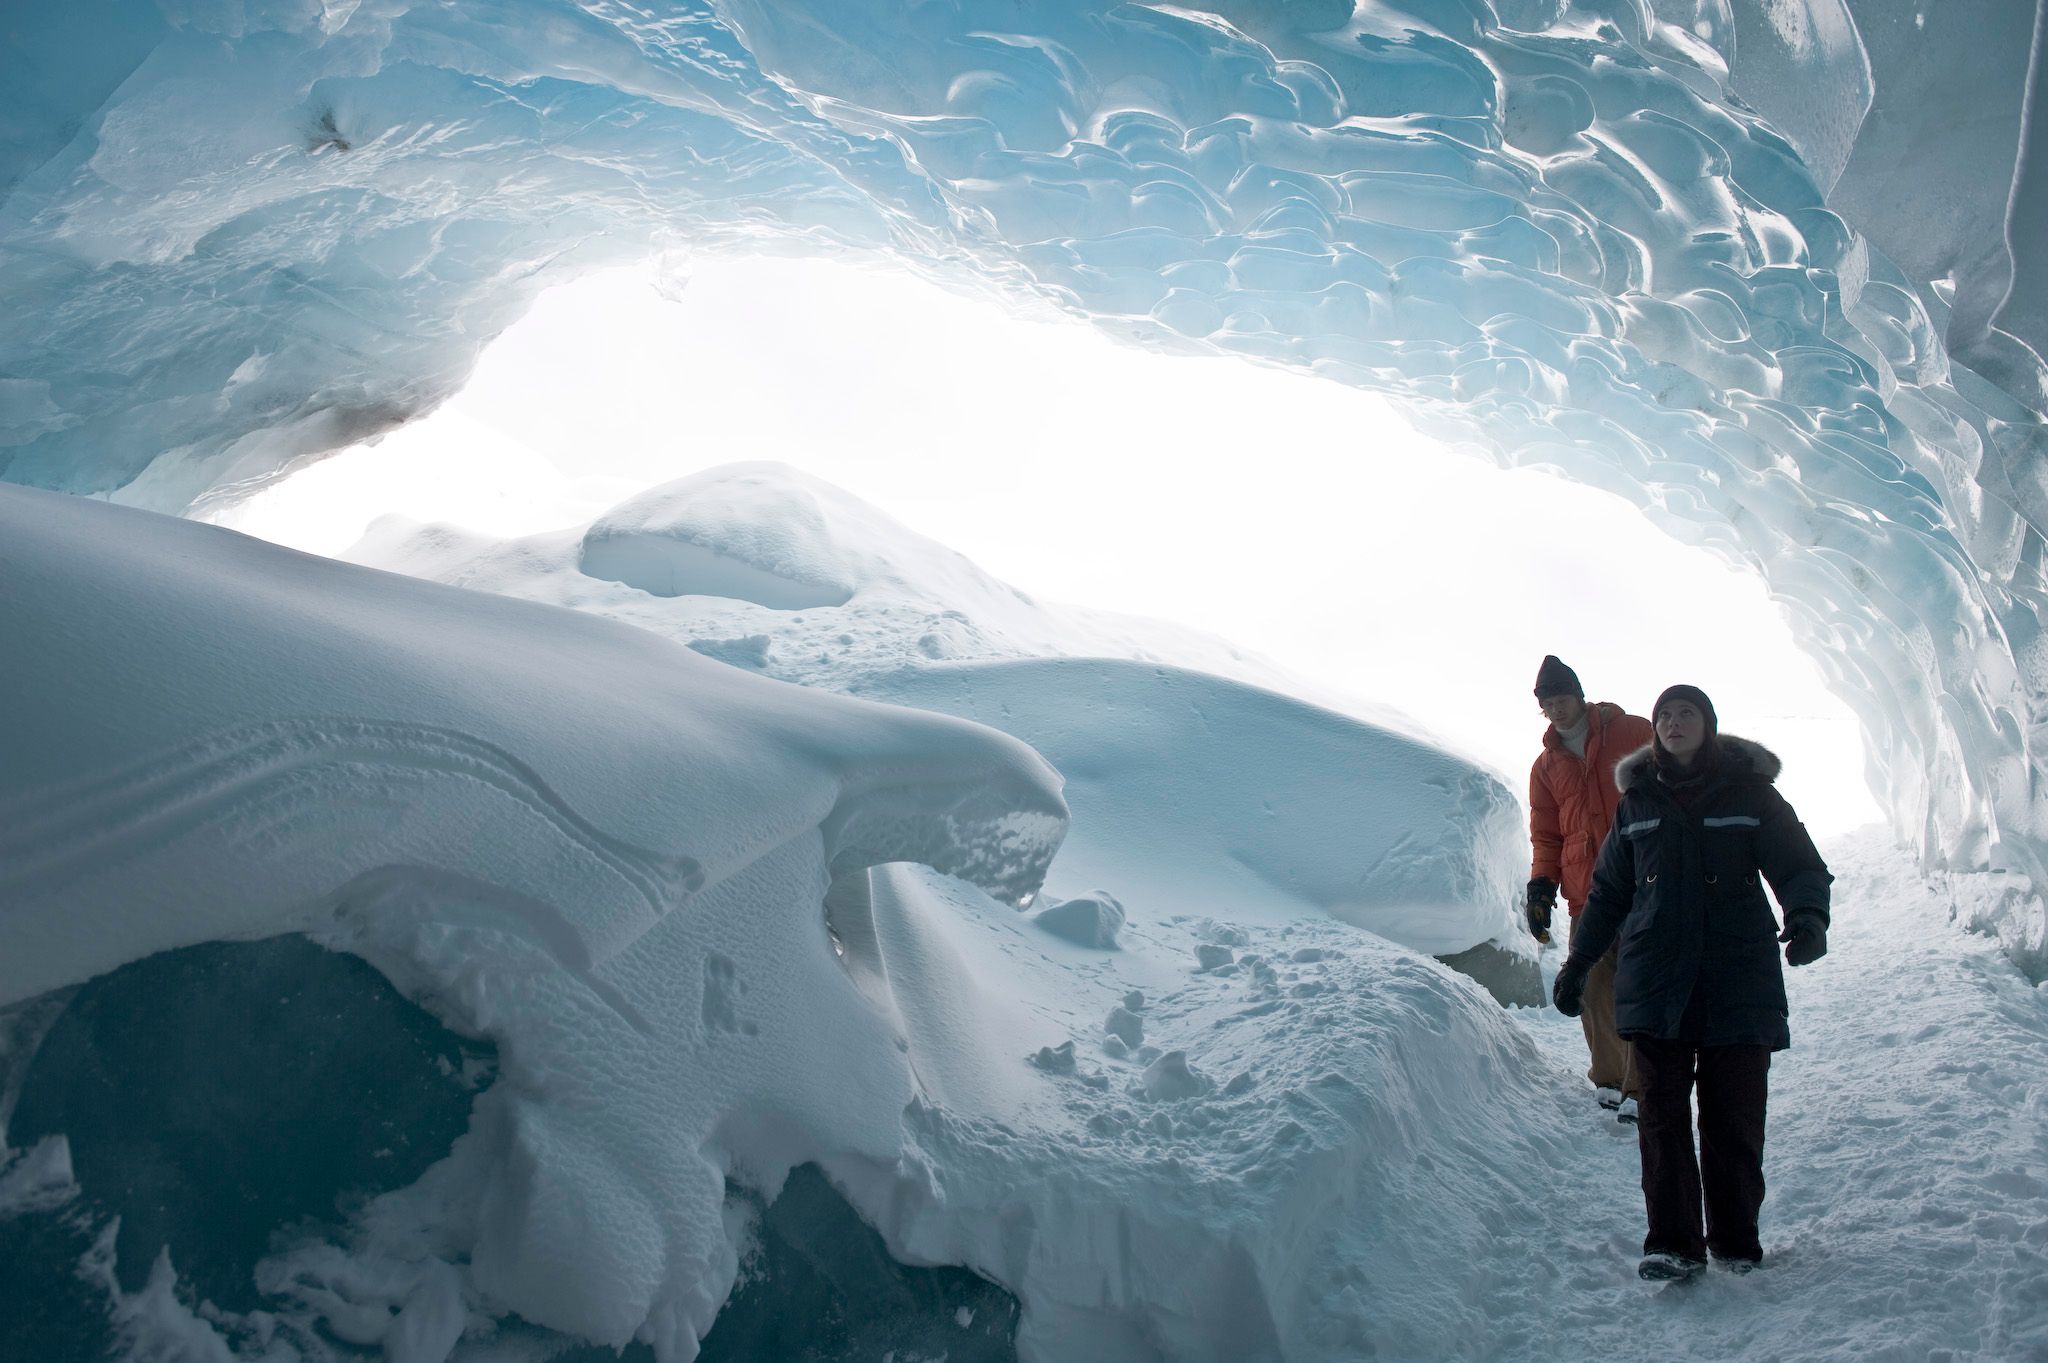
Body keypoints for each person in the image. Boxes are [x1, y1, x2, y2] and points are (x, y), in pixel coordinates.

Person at [1552, 684, 1832, 1281]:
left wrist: (1807, 917)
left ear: (1707, 724)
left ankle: (1734, 1239)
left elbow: (1798, 863)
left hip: (1737, 975)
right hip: (1655, 977)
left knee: (1733, 1116)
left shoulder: (1750, 792)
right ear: (1654, 730)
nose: (1674, 724)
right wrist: (1579, 963)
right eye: (1664, 716)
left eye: (1687, 714)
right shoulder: (1637, 803)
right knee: (1660, 1116)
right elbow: (1608, 893)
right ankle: (1673, 1243)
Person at [1527, 654, 1655, 1120]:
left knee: (1640, 981)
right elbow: (1546, 835)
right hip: (1587, 891)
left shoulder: (1635, 732)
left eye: (1562, 699)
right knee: (1595, 985)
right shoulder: (1546, 767)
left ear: (1579, 696)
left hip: (1644, 881)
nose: (1557, 710)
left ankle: (1644, 1084)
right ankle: (1608, 1078)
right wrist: (1542, 887)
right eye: (1548, 704)